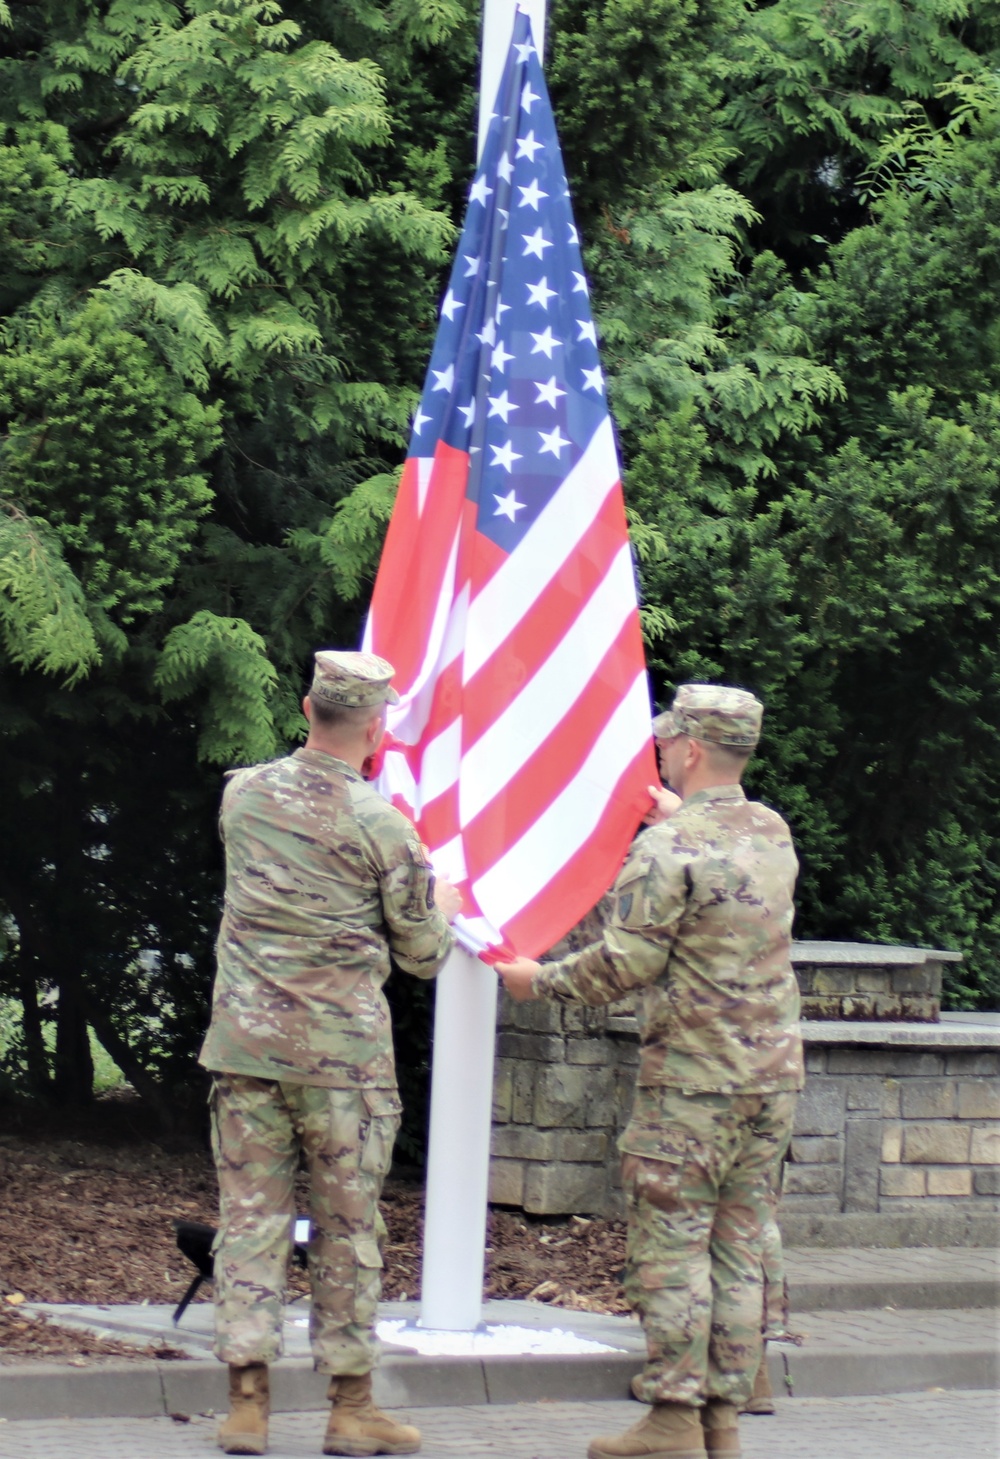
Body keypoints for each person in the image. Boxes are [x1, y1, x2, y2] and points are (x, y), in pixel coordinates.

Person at [497, 683, 803, 1459]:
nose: (662, 749)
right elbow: (718, 871)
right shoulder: (769, 831)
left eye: (670, 740)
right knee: (738, 1249)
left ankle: (672, 1416)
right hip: (769, 1082)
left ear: (691, 748)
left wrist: (542, 981)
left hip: (691, 1086)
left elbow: (628, 960)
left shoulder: (666, 849)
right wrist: (680, 818)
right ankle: (723, 1421)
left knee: (672, 1251)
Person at [199, 650, 461, 1458]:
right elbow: (422, 953)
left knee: (251, 1220)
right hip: (342, 1064)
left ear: (308, 707)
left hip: (246, 1048)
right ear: (378, 731)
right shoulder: (382, 823)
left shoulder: (242, 794)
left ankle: (247, 1402)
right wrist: (440, 903)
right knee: (349, 1230)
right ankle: (351, 1408)